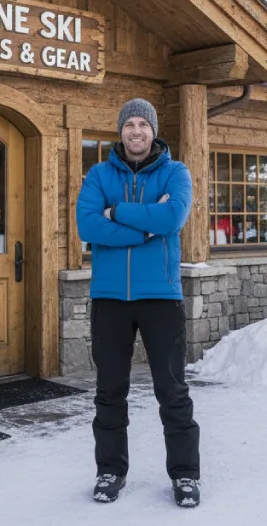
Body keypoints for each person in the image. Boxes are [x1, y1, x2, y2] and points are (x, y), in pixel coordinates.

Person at [76, 98, 200, 508]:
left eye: (142, 125)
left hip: (161, 298)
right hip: (109, 298)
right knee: (110, 391)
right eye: (129, 124)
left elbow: (171, 219)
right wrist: (144, 230)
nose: (136, 132)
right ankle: (110, 470)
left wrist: (118, 212)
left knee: (172, 390)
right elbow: (87, 225)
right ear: (121, 131)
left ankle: (185, 475)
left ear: (153, 130)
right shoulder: (98, 174)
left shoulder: (175, 173)